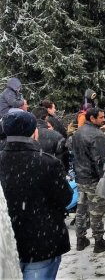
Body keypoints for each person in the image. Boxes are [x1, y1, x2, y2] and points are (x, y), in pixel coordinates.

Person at [0, 110, 72, 280]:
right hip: (41, 242)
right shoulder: (47, 163)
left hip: (7, 244)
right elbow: (65, 198)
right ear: (34, 131)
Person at [71, 107, 105, 253]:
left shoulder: (78, 132)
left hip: (80, 176)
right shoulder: (97, 135)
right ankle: (98, 241)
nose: (104, 120)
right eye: (101, 117)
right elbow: (100, 160)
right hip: (92, 178)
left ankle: (80, 238)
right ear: (92, 118)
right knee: (97, 210)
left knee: (81, 208)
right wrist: (103, 178)